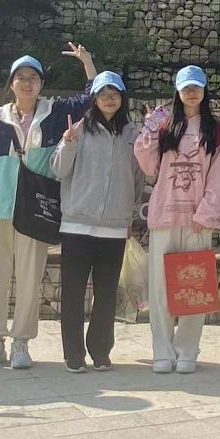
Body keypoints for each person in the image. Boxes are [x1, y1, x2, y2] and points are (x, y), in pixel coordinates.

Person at [0, 44, 97, 370]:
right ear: (11, 83)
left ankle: (21, 342)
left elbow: (92, 97)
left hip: (34, 211)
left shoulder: (54, 114)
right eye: (21, 78)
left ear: (41, 84)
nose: (27, 83)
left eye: (33, 78)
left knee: (29, 278)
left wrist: (87, 62)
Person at [135, 65, 220, 374]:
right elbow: (148, 166)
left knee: (194, 286)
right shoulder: (164, 124)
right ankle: (162, 349)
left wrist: (207, 213)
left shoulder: (214, 130)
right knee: (160, 288)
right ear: (177, 90)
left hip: (197, 220)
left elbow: (218, 177)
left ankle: (187, 349)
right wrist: (149, 131)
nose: (191, 92)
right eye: (186, 87)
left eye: (196, 87)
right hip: (165, 215)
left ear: (204, 90)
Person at [51, 71, 144, 373]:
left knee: (106, 295)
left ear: (122, 98)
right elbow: (58, 170)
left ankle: (101, 351)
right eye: (103, 93)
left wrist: (129, 214)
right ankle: (73, 354)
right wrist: (68, 144)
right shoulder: (78, 129)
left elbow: (138, 178)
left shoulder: (132, 135)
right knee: (73, 293)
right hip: (77, 226)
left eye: (114, 93)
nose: (109, 98)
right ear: (94, 98)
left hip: (114, 227)